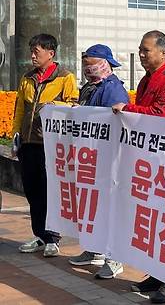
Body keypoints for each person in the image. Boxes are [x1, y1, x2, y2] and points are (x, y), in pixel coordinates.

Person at [112, 30, 165, 304]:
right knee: (151, 220)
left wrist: (128, 109)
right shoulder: (146, 80)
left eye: (147, 50)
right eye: (141, 50)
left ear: (163, 53)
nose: (142, 54)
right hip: (147, 159)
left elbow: (160, 115)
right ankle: (156, 273)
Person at [13, 34, 79, 257]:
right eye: (31, 51)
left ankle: (53, 237)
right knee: (32, 191)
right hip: (28, 144)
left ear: (51, 54)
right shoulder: (27, 78)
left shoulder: (65, 77)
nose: (32, 55)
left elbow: (73, 105)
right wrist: (16, 134)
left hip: (50, 145)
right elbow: (20, 109)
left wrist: (54, 104)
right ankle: (40, 234)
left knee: (51, 191)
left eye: (37, 52)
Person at [69, 44, 128, 279]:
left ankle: (115, 259)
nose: (87, 68)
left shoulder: (113, 89)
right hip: (91, 158)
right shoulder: (90, 88)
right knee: (93, 207)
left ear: (105, 63)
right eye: (84, 64)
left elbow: (113, 122)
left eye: (91, 63)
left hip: (107, 159)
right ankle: (94, 249)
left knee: (111, 208)